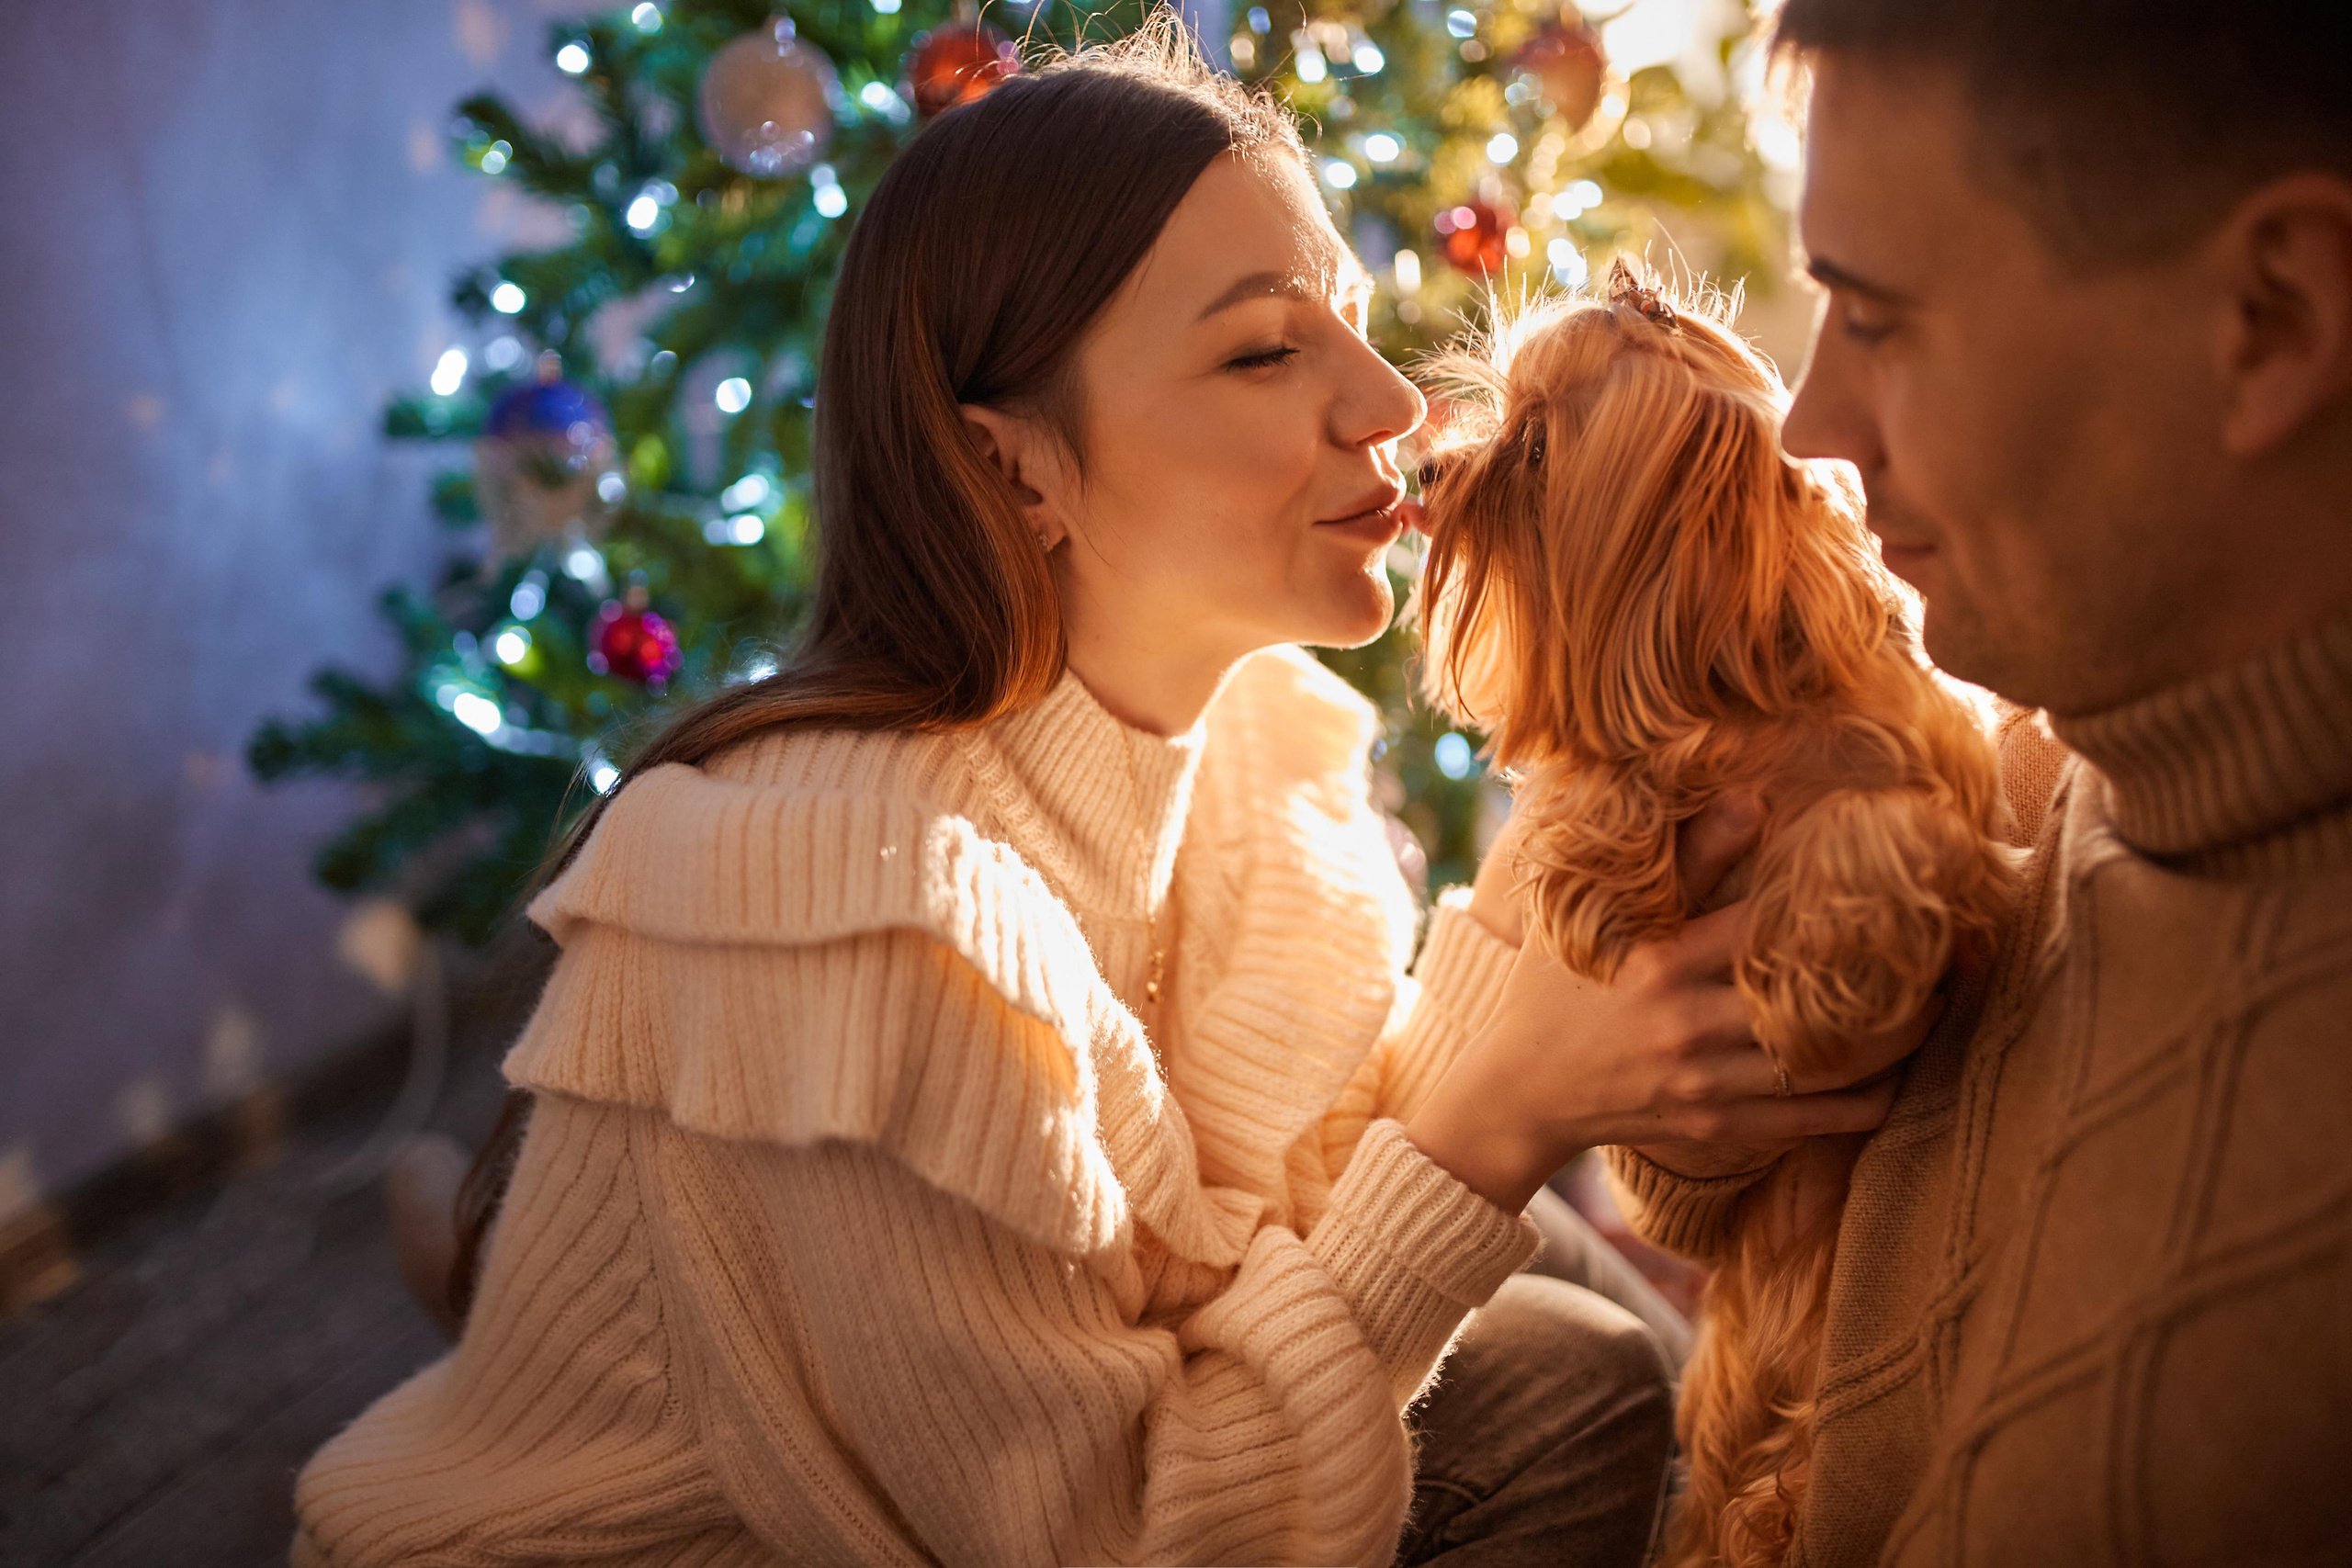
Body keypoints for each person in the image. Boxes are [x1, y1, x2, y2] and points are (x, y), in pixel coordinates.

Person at [293, 26, 1894, 1568]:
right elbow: (1119, 1540)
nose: (1393, 406)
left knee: (1566, 1320)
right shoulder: (864, 900)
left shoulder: (1265, 753)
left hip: (1031, 1438)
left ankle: (472, 1263)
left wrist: (1603, 837)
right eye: (1268, 350)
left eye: (1343, 316)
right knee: (1566, 1366)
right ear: (1015, 471)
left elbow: (1305, 1205)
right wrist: (1506, 1121)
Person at [1606, 1, 2352, 1562]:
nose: (1806, 427)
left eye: (1875, 320)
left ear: (2274, 317)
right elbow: (1701, 1190)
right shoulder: (2032, 761)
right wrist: (1697, 1120)